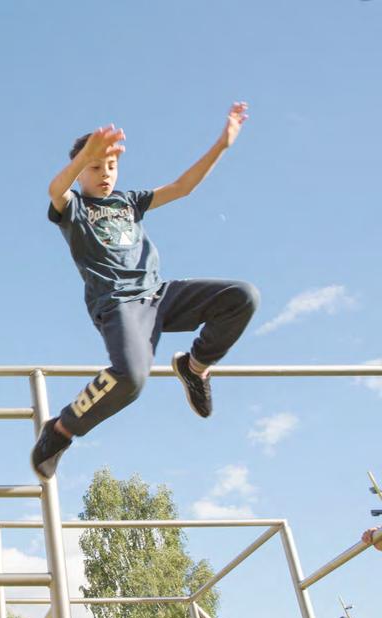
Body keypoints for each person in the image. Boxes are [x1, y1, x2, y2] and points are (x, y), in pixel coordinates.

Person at [32, 103, 259, 479]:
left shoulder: (129, 201)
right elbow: (56, 189)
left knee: (243, 296)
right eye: (94, 168)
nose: (104, 175)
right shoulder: (73, 206)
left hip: (160, 295)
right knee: (132, 377)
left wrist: (222, 144)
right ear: (79, 170)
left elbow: (182, 187)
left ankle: (195, 367)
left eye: (110, 167)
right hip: (119, 304)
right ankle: (60, 431)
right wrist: (83, 157)